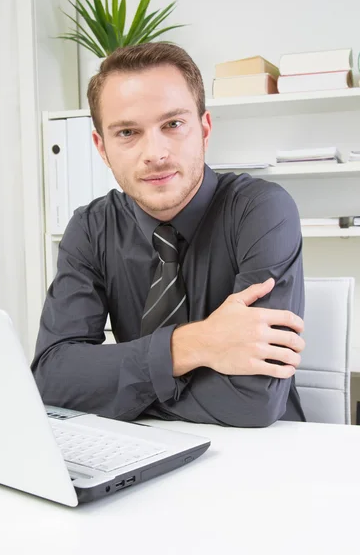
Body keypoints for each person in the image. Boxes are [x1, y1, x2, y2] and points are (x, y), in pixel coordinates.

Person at [32, 42, 306, 427]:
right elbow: (52, 379)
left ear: (204, 129)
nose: (155, 153)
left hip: (263, 457)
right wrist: (196, 344)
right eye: (128, 132)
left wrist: (118, 388)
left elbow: (253, 399)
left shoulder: (261, 209)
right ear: (102, 148)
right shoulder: (91, 228)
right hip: (139, 457)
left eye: (173, 125)